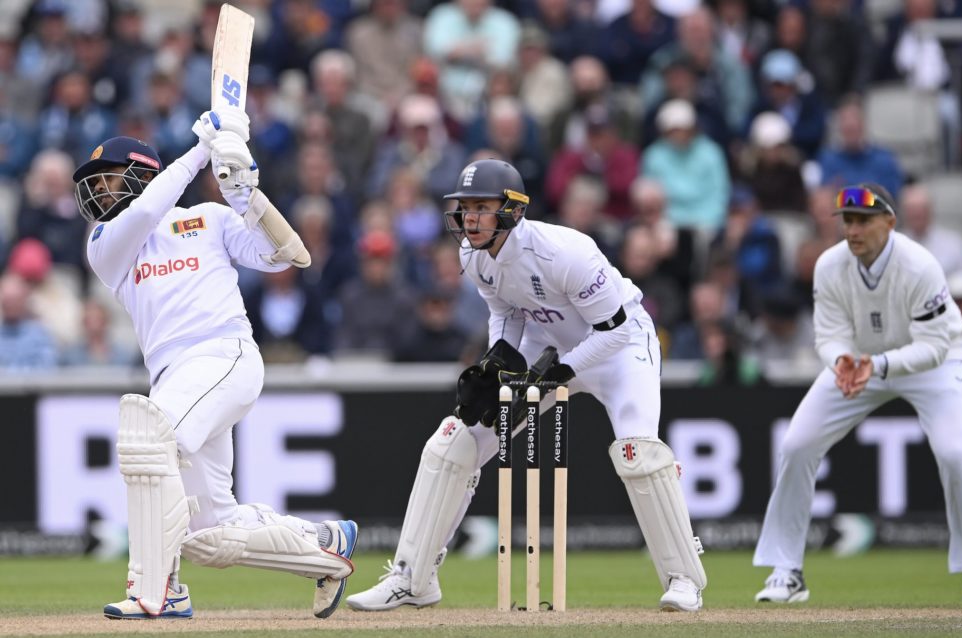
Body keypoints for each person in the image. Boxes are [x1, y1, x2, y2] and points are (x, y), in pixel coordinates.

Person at [346, 158, 707, 612]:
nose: (469, 219)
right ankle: (413, 579)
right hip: (550, 346)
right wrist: (499, 358)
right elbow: (508, 311)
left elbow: (613, 328)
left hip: (621, 350)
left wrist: (562, 372)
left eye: (481, 207)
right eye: (465, 208)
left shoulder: (566, 252)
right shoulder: (472, 255)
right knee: (454, 443)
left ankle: (684, 578)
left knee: (638, 453)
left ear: (513, 210)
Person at [75, 111, 357, 620]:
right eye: (92, 184)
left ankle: (153, 591)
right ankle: (324, 545)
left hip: (223, 355)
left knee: (148, 439)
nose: (97, 192)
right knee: (209, 529)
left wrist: (245, 193)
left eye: (106, 179)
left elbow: (289, 256)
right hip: (174, 377)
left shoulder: (206, 218)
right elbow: (141, 216)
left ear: (141, 174)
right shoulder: (105, 244)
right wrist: (199, 152)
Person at [752, 183, 962, 604]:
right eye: (847, 220)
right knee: (797, 444)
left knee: (955, 454)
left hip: (936, 363)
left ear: (890, 221)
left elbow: (935, 346)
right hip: (864, 362)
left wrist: (877, 365)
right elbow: (828, 334)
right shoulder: (830, 265)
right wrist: (844, 363)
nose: (853, 230)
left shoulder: (920, 265)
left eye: (863, 220)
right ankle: (787, 570)